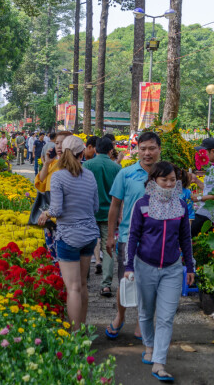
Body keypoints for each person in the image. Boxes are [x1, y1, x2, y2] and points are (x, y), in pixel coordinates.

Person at [125, 162, 194, 382]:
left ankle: (159, 363)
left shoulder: (181, 205)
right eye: (164, 180)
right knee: (145, 312)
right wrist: (128, 266)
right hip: (145, 266)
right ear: (154, 180)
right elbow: (133, 236)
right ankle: (149, 346)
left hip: (172, 269)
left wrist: (190, 266)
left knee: (166, 317)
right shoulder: (142, 205)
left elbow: (185, 238)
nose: (169, 184)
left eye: (173, 179)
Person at [37, 135, 100, 331]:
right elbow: (95, 207)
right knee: (82, 285)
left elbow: (56, 210)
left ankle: (74, 335)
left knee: (72, 287)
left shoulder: (58, 176)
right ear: (82, 153)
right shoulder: (89, 175)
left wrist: (46, 213)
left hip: (68, 236)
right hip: (89, 235)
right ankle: (82, 329)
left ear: (62, 152)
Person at [105, 131, 162, 340]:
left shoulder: (167, 174)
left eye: (152, 148)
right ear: (137, 149)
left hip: (158, 239)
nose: (147, 153)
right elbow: (114, 206)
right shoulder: (125, 174)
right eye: (143, 148)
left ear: (159, 150)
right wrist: (110, 236)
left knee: (151, 283)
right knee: (125, 281)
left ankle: (142, 320)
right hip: (129, 237)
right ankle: (120, 317)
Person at [83, 137, 122, 296]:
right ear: (111, 151)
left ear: (95, 149)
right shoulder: (116, 167)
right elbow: (120, 195)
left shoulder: (87, 165)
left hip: (89, 213)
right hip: (109, 214)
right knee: (109, 249)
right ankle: (106, 284)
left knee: (85, 247)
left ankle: (83, 280)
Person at [35, 131, 72, 261]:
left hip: (66, 221)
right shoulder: (52, 165)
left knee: (65, 257)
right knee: (53, 255)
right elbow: (40, 182)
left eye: (63, 143)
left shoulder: (73, 167)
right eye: (57, 143)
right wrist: (46, 163)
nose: (59, 146)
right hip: (49, 217)